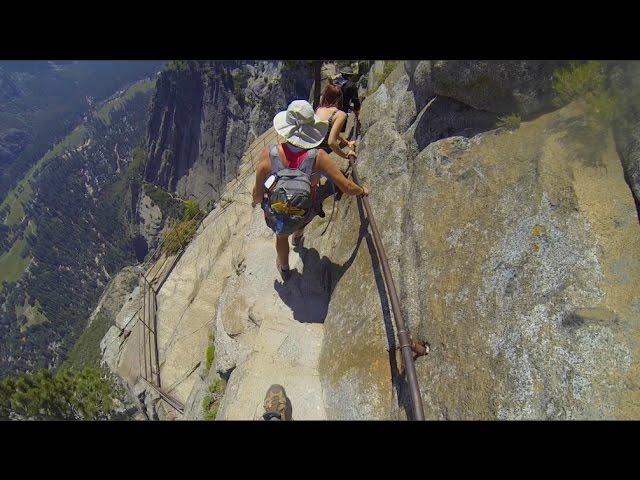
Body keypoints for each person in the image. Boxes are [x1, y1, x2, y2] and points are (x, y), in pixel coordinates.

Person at [251, 100, 369, 282]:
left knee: (281, 236)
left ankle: (284, 268)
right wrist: (361, 190)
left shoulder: (269, 154)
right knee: (300, 219)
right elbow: (345, 186)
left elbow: (258, 195)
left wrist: (257, 200)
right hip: (305, 209)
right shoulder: (318, 157)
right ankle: (297, 238)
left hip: (278, 210)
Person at [316, 84, 357, 160]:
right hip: (322, 153)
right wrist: (345, 155)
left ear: (325, 96)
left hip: (311, 149)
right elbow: (331, 142)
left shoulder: (319, 109)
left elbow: (330, 131)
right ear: (340, 98)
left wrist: (347, 142)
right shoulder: (340, 114)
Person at [332, 64, 361, 133]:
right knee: (340, 128)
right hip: (343, 109)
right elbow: (355, 100)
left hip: (332, 107)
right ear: (350, 76)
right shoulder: (351, 85)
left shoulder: (335, 83)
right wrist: (357, 109)